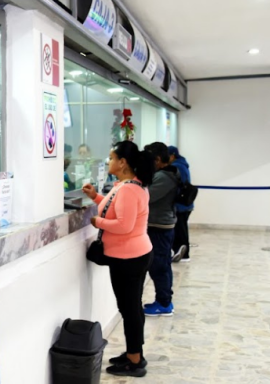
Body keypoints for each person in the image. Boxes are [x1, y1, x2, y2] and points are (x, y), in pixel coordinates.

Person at [81, 141, 154, 378]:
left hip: (129, 258)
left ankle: (135, 360)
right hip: (130, 255)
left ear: (123, 162)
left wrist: (97, 222)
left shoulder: (129, 189)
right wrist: (95, 197)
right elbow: (113, 208)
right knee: (130, 307)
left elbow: (124, 225)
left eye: (112, 158)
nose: (109, 161)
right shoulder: (130, 185)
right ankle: (134, 353)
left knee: (130, 308)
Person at [141, 142, 179, 317]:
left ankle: (164, 303)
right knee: (162, 264)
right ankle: (164, 301)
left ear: (156, 160)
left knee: (159, 266)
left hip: (160, 227)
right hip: (159, 225)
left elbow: (146, 197)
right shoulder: (163, 174)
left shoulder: (164, 177)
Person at [168, 146, 193, 262]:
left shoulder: (176, 167)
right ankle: (182, 252)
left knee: (180, 230)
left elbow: (177, 185)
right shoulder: (182, 164)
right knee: (181, 229)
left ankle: (183, 254)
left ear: (172, 156)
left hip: (181, 205)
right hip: (185, 204)